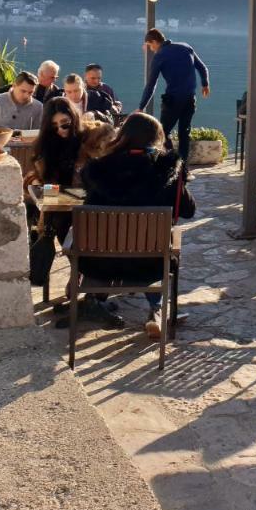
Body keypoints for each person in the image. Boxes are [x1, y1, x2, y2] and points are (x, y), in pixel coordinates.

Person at [79, 113, 196, 340]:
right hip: (150, 263)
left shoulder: (98, 171)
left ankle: (94, 297)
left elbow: (89, 207)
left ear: (123, 136)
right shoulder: (168, 170)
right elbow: (189, 211)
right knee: (160, 246)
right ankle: (156, 310)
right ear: (158, 138)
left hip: (102, 263)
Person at [27, 97, 83, 286]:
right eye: (54, 126)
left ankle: (81, 270)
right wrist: (37, 181)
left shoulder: (87, 141)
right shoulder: (45, 145)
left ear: (73, 120)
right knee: (58, 220)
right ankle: (77, 269)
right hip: (58, 200)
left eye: (65, 125)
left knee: (68, 221)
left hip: (86, 200)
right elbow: (41, 180)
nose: (60, 130)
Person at [138, 28, 210, 156]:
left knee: (162, 132)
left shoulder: (159, 56)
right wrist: (205, 84)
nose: (151, 49)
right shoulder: (186, 47)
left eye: (150, 46)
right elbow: (202, 67)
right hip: (190, 99)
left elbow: (151, 85)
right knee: (184, 133)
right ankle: (183, 168)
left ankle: (169, 163)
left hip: (173, 100)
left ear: (154, 41)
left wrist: (141, 106)